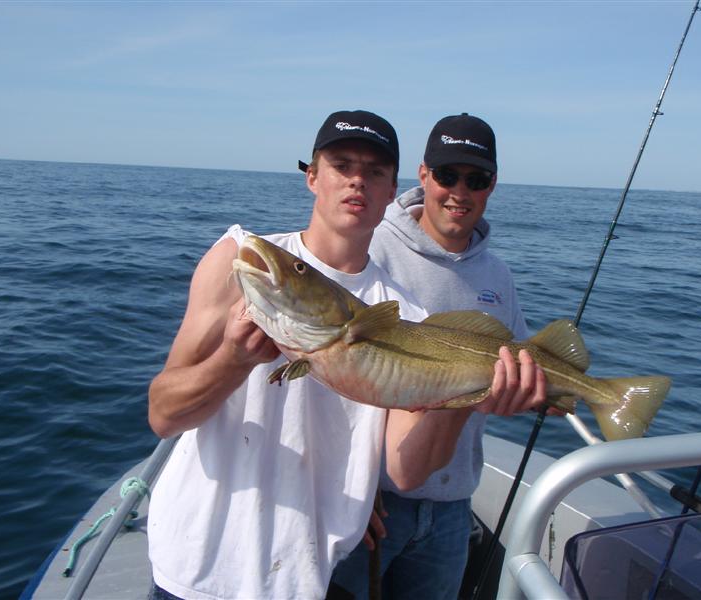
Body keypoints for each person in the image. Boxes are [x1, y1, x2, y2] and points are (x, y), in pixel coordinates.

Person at [145, 110, 543, 600]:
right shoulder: (241, 260)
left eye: (374, 171)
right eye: (342, 165)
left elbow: (404, 471)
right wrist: (233, 358)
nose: (357, 181)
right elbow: (163, 415)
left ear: (391, 189)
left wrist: (470, 394)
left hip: (302, 579)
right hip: (195, 571)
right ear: (312, 176)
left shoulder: (406, 314)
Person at [331, 113, 548, 599]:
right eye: (448, 175)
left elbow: (516, 369)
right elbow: (336, 372)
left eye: (477, 179)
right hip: (370, 502)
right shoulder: (373, 248)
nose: (459, 192)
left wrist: (532, 395)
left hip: (452, 506)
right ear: (424, 175)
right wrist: (351, 490)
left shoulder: (497, 275)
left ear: (493, 185)